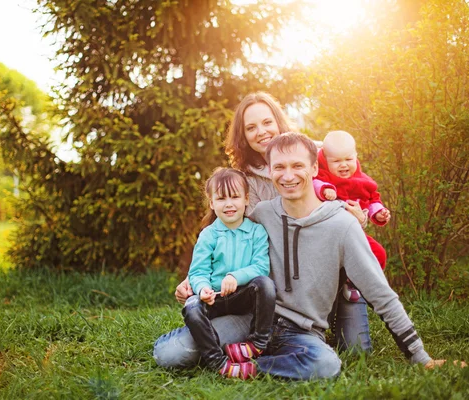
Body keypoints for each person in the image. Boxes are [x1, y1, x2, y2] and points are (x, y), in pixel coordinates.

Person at [153, 93, 370, 371]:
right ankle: (245, 356)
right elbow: (227, 230)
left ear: (279, 123)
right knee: (171, 355)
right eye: (251, 127)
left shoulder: (313, 154)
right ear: (242, 135)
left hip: (317, 291)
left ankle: (312, 330)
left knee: (356, 353)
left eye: (267, 122)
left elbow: (355, 187)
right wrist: (197, 276)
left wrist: (359, 216)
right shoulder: (243, 180)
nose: (261, 132)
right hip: (261, 301)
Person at [242, 132, 443, 379]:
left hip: (301, 333)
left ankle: (242, 367)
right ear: (270, 171)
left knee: (325, 366)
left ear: (315, 168)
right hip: (253, 322)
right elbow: (227, 245)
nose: (288, 175)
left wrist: (420, 357)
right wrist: (196, 282)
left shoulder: (342, 224)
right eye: (279, 167)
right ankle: (231, 352)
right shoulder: (262, 213)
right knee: (180, 352)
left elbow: (381, 294)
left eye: (297, 166)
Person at [182, 167, 276, 379]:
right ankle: (218, 362)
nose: (229, 204)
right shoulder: (208, 235)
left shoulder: (256, 232)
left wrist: (236, 277)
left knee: (265, 284)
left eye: (235, 197)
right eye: (221, 198)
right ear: (212, 203)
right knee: (191, 307)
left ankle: (258, 343)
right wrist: (202, 288)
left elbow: (261, 267)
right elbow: (197, 271)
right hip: (214, 299)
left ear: (246, 200)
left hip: (244, 298)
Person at [316, 130, 390, 303]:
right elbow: (315, 183)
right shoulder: (323, 176)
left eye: (348, 159)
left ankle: (354, 282)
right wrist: (325, 189)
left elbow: (372, 199)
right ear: (325, 160)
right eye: (336, 161)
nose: (343, 165)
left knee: (378, 254)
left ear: (355, 156)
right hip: (328, 236)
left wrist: (378, 213)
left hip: (355, 234)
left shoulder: (363, 180)